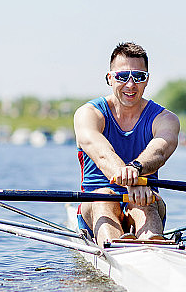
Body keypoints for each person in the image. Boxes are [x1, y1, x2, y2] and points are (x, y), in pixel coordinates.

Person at [74, 42, 180, 247]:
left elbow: (159, 151)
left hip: (144, 199)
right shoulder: (89, 114)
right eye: (122, 77)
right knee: (105, 196)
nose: (130, 85)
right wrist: (132, 180)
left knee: (146, 200)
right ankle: (114, 247)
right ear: (109, 78)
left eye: (138, 77)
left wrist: (136, 170)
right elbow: (102, 154)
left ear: (147, 80)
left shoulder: (165, 119)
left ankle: (152, 245)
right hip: (95, 205)